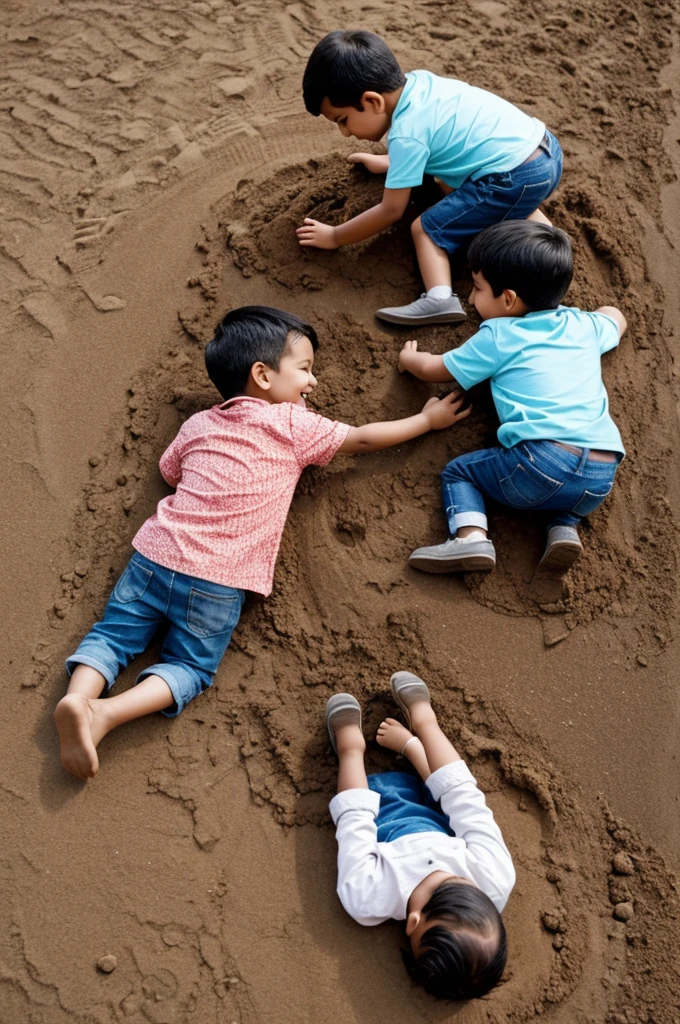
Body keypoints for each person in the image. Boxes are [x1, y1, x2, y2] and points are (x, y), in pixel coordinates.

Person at [55, 307, 470, 780]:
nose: (312, 382)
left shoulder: (197, 424)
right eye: (305, 369)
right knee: (190, 667)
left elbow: (169, 472)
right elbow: (365, 439)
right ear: (262, 375)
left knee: (112, 635)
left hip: (155, 555)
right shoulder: (295, 427)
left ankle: (79, 696)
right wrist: (426, 419)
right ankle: (106, 714)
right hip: (218, 580)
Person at [398, 220, 626, 573]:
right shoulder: (583, 326)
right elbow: (615, 318)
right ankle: (564, 526)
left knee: (460, 473)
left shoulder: (499, 334)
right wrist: (603, 315)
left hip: (541, 463)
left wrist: (411, 360)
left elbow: (438, 369)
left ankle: (470, 538)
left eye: (476, 288)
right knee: (567, 496)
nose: (472, 298)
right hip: (601, 475)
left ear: (508, 299)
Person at [297, 30, 562, 327]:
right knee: (456, 184)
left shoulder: (406, 135)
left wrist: (335, 236)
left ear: (372, 101)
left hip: (513, 175)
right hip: (543, 152)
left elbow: (390, 210)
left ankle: (439, 298)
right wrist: (394, 163)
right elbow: (440, 137)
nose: (344, 132)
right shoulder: (420, 83)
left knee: (426, 229)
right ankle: (545, 235)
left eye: (342, 120)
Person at [325, 671, 515, 1000]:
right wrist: (414, 746)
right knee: (454, 797)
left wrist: (352, 754)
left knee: (457, 795)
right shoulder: (492, 878)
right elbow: (351, 819)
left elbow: (359, 821)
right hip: (435, 807)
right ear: (412, 923)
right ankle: (424, 723)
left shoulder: (371, 898)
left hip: (385, 810)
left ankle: (353, 746)